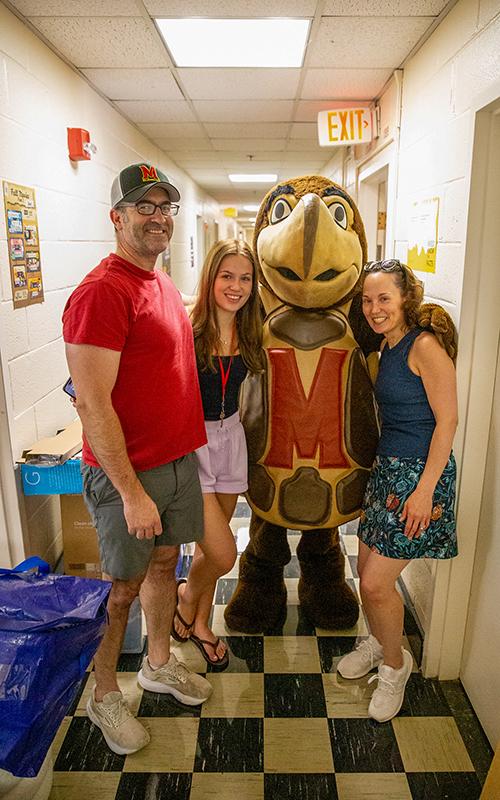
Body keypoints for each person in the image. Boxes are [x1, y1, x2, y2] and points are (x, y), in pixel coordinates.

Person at [62, 163, 212, 756]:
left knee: (165, 564)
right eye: (143, 206)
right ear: (117, 217)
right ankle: (104, 695)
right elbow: (93, 406)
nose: (156, 216)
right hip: (130, 472)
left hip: (176, 464)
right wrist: (130, 492)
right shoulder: (102, 293)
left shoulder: (161, 283)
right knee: (120, 586)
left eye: (164, 206)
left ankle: (156, 663)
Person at [337, 258, 458, 723]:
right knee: (366, 571)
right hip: (388, 471)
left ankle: (395, 666)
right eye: (367, 300)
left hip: (420, 476)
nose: (374, 308)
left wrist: (425, 490)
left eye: (384, 298)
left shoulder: (423, 346)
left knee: (375, 582)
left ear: (406, 297)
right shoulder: (386, 346)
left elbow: (447, 420)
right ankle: (380, 641)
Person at [172, 239, 262, 667]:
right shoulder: (186, 327)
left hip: (232, 438)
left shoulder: (250, 328)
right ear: (211, 277)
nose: (236, 286)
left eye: (245, 278)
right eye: (227, 276)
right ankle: (186, 597)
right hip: (193, 444)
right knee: (225, 552)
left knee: (211, 550)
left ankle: (203, 625)